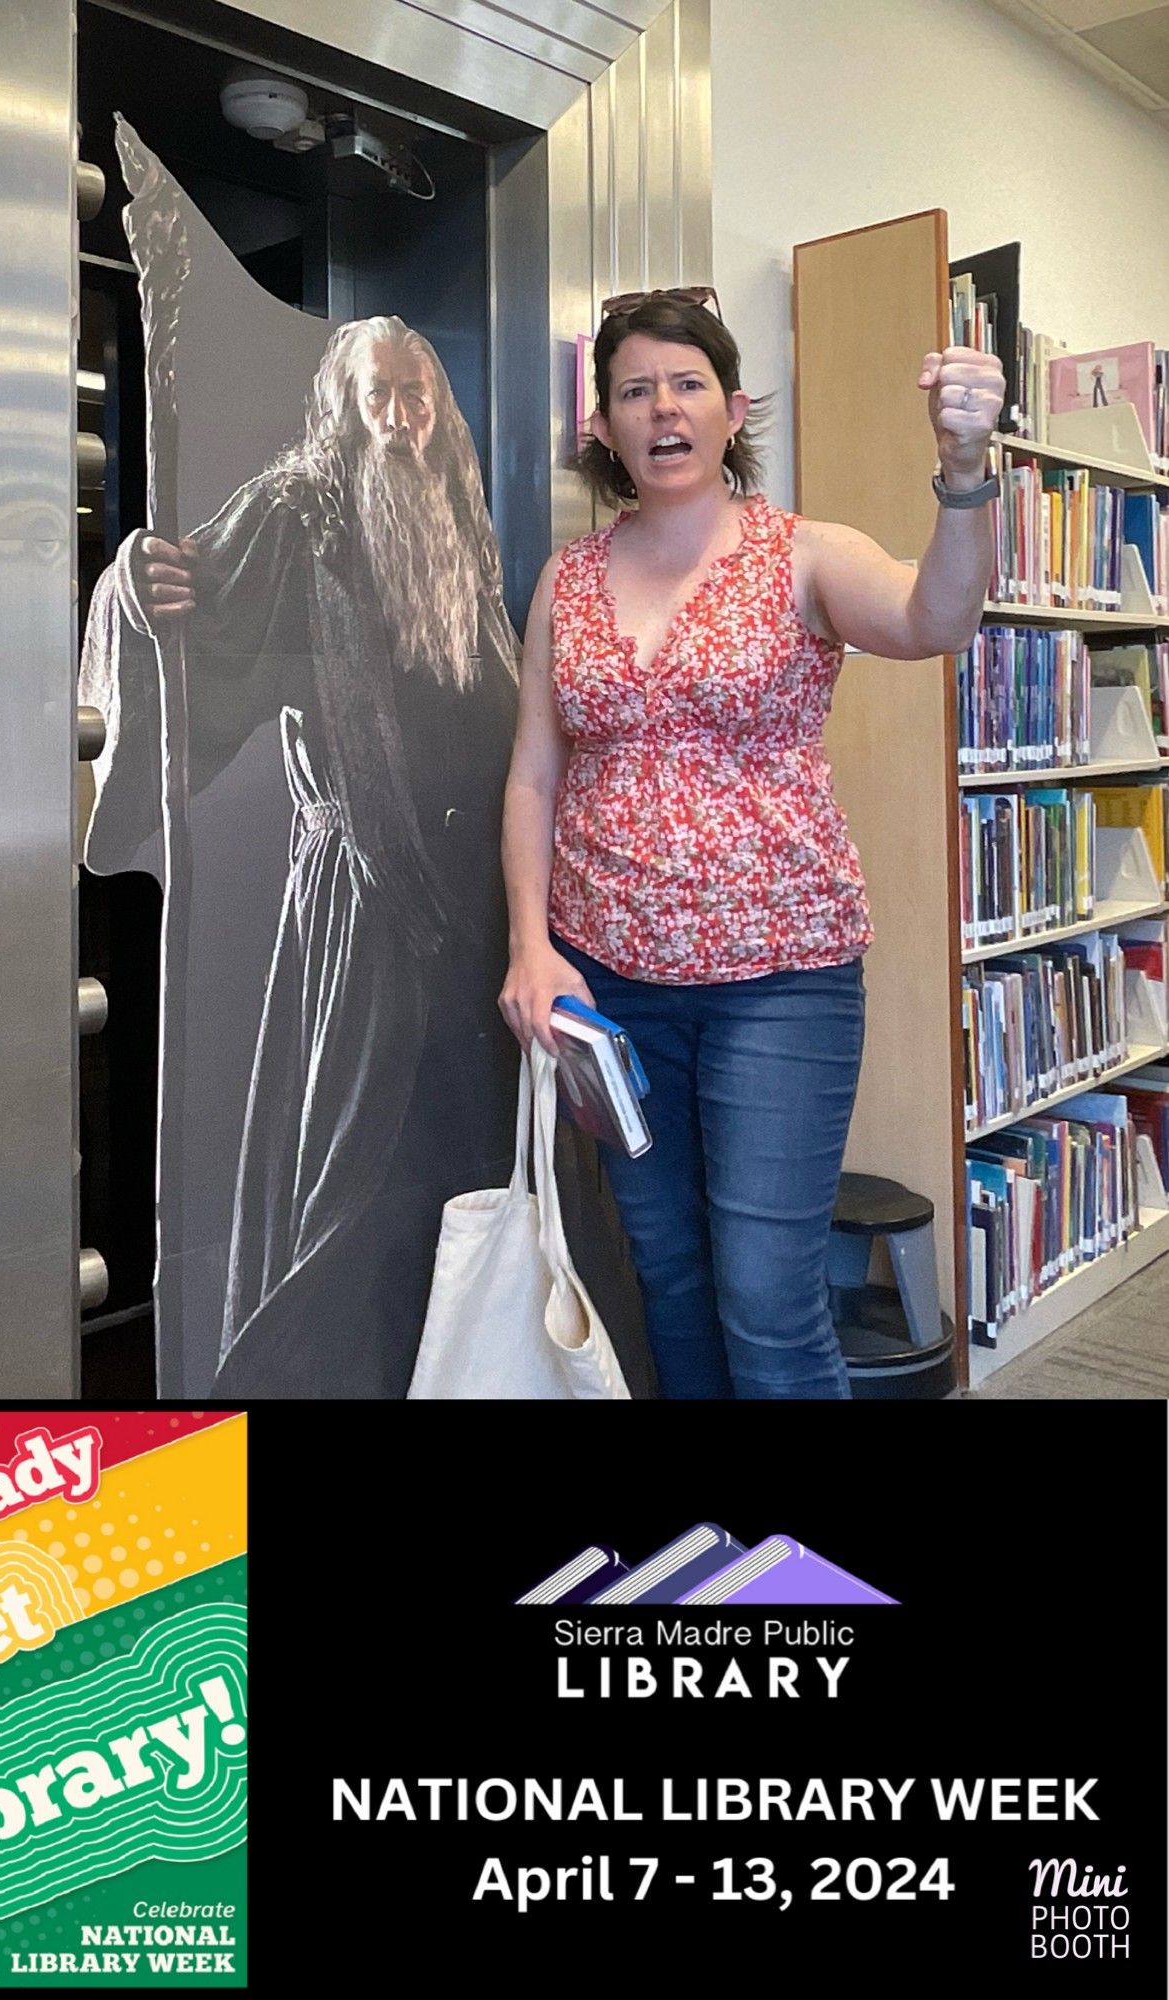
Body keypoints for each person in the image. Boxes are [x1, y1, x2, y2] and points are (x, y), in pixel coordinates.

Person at [498, 286, 1003, 1400]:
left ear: (731, 411)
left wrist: (965, 476)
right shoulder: (566, 580)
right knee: (668, 1277)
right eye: (634, 389)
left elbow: (936, 619)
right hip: (610, 988)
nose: (661, 409)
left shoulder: (801, 553)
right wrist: (532, 946)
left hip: (781, 984)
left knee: (768, 1304)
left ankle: (798, 1575)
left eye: (686, 385)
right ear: (605, 428)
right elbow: (535, 771)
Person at [81, 313, 520, 1397]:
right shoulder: (298, 511)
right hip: (364, 919)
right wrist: (136, 582)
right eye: (380, 393)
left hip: (472, 924)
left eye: (419, 394)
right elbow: (186, 601)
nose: (402, 417)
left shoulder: (460, 522)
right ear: (341, 406)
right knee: (348, 1193)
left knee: (461, 1186)